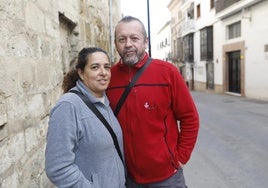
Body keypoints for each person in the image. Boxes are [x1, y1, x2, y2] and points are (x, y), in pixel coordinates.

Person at [106, 16, 199, 187]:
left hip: (167, 178)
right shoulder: (108, 79)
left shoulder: (167, 73)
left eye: (134, 38)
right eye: (122, 39)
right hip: (127, 178)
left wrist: (180, 158)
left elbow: (190, 118)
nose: (128, 44)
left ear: (145, 41)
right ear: (115, 43)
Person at [45, 47, 126, 188]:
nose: (103, 73)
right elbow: (57, 168)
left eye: (107, 67)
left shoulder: (105, 102)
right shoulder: (68, 105)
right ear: (81, 73)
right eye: (95, 67)